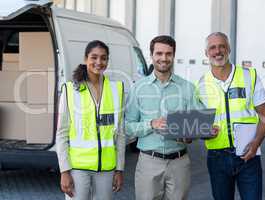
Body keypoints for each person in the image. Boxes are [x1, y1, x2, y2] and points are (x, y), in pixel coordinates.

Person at [125, 35, 203, 200]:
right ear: (152, 56)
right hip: (148, 162)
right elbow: (127, 126)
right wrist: (151, 124)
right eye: (159, 53)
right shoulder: (138, 88)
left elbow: (198, 125)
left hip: (179, 163)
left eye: (168, 54)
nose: (164, 58)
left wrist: (191, 135)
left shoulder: (187, 88)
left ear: (174, 56)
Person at [195, 32, 265, 200]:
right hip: (217, 158)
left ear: (229, 49)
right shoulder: (200, 85)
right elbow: (198, 127)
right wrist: (204, 132)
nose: (218, 51)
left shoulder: (249, 75)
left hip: (248, 156)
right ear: (206, 53)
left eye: (222, 46)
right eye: (212, 48)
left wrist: (256, 143)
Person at [56, 40, 125, 200]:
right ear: (86, 58)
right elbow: (61, 133)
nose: (99, 62)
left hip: (107, 169)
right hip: (78, 168)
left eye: (103, 58)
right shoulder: (70, 90)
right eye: (94, 57)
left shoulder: (117, 90)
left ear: (107, 61)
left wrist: (119, 169)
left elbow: (120, 133)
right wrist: (64, 171)